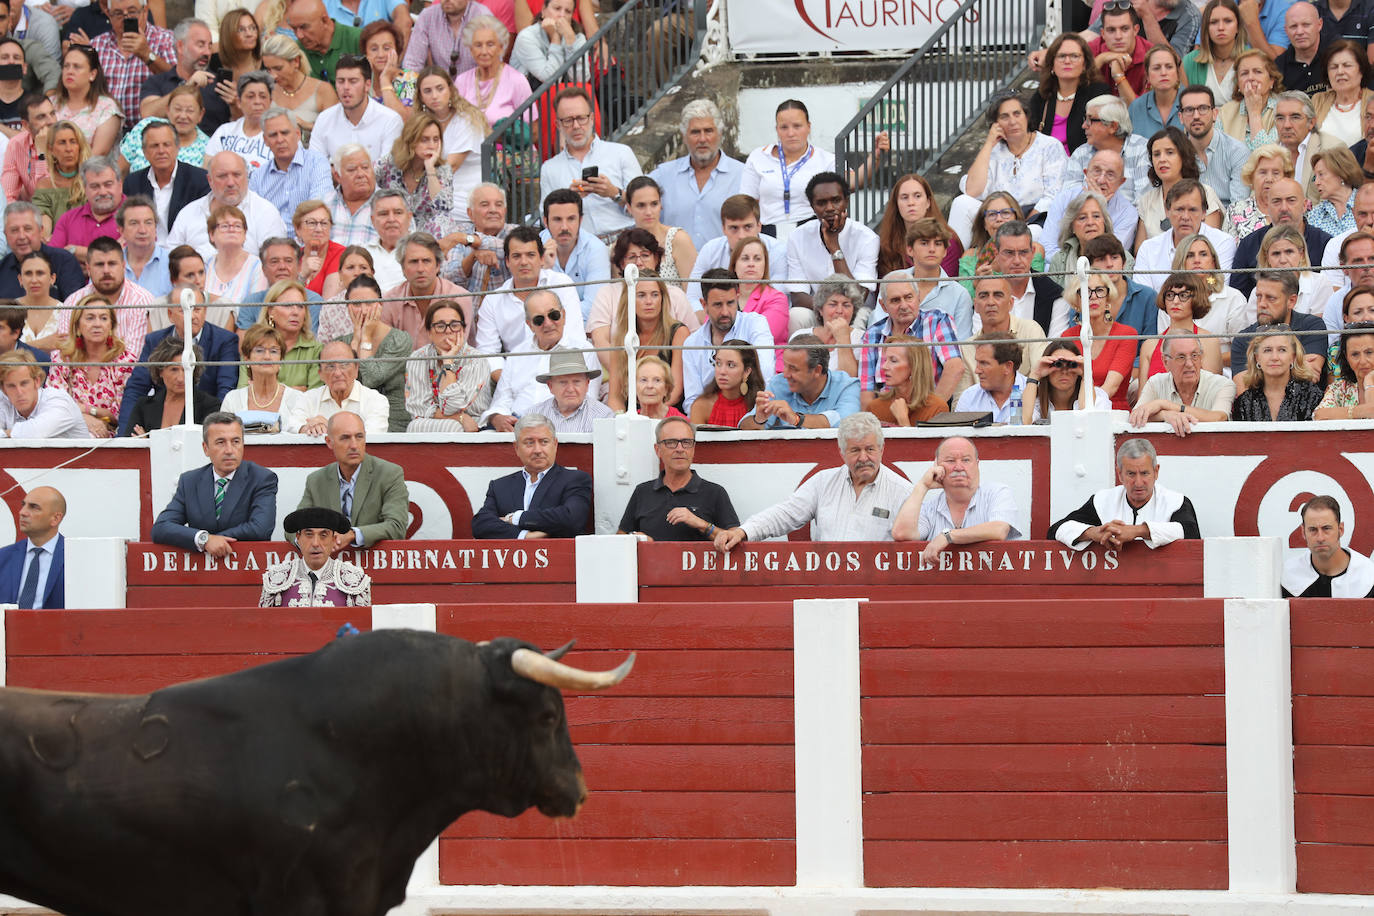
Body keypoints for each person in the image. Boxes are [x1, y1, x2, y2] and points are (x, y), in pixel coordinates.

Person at [715, 412, 906, 548]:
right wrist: (743, 532)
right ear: (842, 453)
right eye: (855, 450)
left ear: (881, 449)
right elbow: (785, 514)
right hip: (826, 588)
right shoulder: (823, 482)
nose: (863, 457)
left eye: (870, 449)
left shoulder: (903, 491)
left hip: (877, 591)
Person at [948, 92, 1068, 246]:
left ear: (1026, 116)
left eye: (1017, 114)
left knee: (1034, 232)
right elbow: (972, 191)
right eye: (1004, 117)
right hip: (996, 215)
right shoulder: (993, 151)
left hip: (1034, 218)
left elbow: (1053, 195)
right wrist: (989, 144)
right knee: (961, 203)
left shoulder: (1049, 146)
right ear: (995, 124)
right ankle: (955, 266)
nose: (1012, 121)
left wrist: (1023, 222)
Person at [150, 411, 279, 554]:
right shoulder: (190, 481)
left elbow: (261, 528)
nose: (229, 450)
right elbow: (161, 528)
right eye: (220, 442)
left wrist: (214, 539)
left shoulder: (262, 478)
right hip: (200, 572)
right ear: (206, 448)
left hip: (246, 567)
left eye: (236, 441)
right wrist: (203, 539)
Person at [118, 289, 239, 435]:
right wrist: (124, 438)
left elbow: (225, 388)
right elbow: (136, 388)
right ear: (170, 314)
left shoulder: (225, 340)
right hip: (159, 416)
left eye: (197, 309)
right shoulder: (155, 341)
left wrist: (217, 430)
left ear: (205, 312)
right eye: (184, 310)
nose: (192, 316)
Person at [1050, 437, 1202, 549]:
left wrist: (1138, 531)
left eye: (1144, 473)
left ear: (1156, 472)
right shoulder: (1103, 500)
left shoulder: (1175, 502)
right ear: (1120, 474)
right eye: (1130, 474)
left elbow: (1190, 532)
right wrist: (1092, 532)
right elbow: (1055, 530)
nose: (1138, 482)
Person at [480, 289, 596, 430]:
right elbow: (502, 399)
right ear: (530, 325)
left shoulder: (584, 350)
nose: (548, 323)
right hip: (516, 426)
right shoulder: (517, 354)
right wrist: (497, 417)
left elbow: (587, 402)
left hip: (561, 427)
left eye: (554, 315)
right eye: (539, 320)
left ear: (563, 315)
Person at [890, 435, 1020, 557]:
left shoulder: (997, 493)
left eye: (966, 460)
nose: (958, 467)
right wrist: (923, 486)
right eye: (950, 460)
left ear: (977, 464)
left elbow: (999, 530)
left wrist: (948, 535)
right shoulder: (929, 509)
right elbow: (902, 534)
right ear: (937, 466)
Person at [539, 85, 640, 239]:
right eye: (568, 120)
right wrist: (569, 201)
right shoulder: (549, 168)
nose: (576, 126)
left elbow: (645, 205)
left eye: (581, 118)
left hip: (626, 238)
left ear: (592, 119)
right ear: (558, 125)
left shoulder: (621, 153)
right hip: (583, 248)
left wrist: (614, 193)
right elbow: (546, 219)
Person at [617, 415, 739, 541]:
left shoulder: (714, 493)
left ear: (693, 449)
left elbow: (735, 539)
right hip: (652, 561)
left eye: (686, 442)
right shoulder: (642, 492)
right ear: (657, 450)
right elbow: (620, 538)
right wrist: (638, 540)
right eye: (671, 443)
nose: (680, 449)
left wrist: (701, 524)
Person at [472, 411, 592, 538]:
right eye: (529, 442)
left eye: (544, 442)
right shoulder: (500, 486)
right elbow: (481, 524)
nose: (537, 450)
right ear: (516, 448)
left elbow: (572, 518)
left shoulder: (575, 479)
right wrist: (523, 536)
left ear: (555, 444)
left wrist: (516, 518)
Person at [297, 409, 407, 548]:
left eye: (359, 436)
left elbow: (397, 526)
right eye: (345, 438)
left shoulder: (389, 474)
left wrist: (352, 535)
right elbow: (293, 528)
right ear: (329, 442)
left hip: (374, 566)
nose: (354, 445)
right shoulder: (316, 480)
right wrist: (312, 539)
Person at [647, 99, 743, 250]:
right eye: (695, 132)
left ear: (720, 133)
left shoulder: (743, 175)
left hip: (724, 270)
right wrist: (616, 194)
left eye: (708, 131)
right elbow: (635, 205)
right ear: (684, 137)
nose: (702, 139)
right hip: (674, 271)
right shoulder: (663, 176)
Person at [859, 270, 963, 408]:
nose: (903, 305)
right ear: (883, 306)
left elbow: (955, 368)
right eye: (895, 300)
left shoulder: (937, 320)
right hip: (887, 415)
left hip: (930, 411)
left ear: (918, 297)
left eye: (908, 297)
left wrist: (929, 413)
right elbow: (866, 390)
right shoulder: (872, 335)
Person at [739, 98, 839, 236]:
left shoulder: (825, 159)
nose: (791, 133)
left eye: (797, 126)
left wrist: (874, 159)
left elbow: (853, 181)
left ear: (808, 127)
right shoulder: (758, 157)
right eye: (784, 127)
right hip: (768, 232)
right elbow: (747, 201)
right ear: (777, 129)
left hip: (811, 230)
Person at [783, 171, 879, 313]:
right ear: (812, 206)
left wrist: (834, 247)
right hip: (817, 310)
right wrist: (828, 311)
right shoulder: (797, 237)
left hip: (857, 312)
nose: (829, 208)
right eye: (821, 203)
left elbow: (858, 297)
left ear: (846, 201)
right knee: (797, 314)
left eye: (835, 200)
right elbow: (797, 296)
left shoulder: (867, 238)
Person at [44, 293, 136, 437]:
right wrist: (84, 418)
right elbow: (54, 406)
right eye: (90, 318)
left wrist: (85, 409)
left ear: (111, 326)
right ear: (78, 327)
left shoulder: (125, 361)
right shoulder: (62, 358)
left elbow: (120, 414)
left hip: (111, 434)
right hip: (68, 430)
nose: (97, 324)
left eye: (104, 318)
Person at [168, 150, 288, 258]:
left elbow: (276, 264)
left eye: (237, 175)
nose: (230, 182)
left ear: (247, 176)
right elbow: (170, 260)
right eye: (222, 176)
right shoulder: (189, 213)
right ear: (210, 180)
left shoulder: (266, 213)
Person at [740, 333, 859, 430]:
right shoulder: (778, 384)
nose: (785, 374)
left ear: (817, 370)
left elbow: (847, 424)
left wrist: (796, 419)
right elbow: (745, 429)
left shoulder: (847, 386)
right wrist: (759, 419)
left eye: (793, 368)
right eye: (785, 366)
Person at [685, 195, 790, 303]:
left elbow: (777, 300)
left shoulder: (778, 251)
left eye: (748, 227)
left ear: (759, 226)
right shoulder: (710, 250)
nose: (742, 236)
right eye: (734, 228)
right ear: (723, 229)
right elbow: (693, 298)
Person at [404, 297, 489, 432]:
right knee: (414, 426)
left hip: (473, 423)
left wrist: (447, 363)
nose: (448, 331)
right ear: (429, 333)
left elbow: (453, 405)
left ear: (463, 330)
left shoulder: (476, 360)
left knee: (452, 428)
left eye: (454, 325)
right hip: (438, 421)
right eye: (440, 326)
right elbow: (417, 408)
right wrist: (459, 418)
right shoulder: (418, 358)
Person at [259, 505, 371, 607]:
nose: (316, 543)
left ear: (333, 539)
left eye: (323, 535)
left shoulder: (355, 580)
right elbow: (263, 627)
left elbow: (362, 627)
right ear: (298, 538)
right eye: (309, 534)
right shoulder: (275, 578)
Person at [1137, 179, 1238, 290]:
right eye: (1179, 209)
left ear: (1204, 213)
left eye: (1192, 210)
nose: (1185, 217)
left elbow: (1217, 286)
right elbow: (1144, 299)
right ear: (1168, 211)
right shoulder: (1148, 249)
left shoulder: (1222, 243)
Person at [1131, 329, 1237, 434]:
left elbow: (1219, 417)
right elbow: (1136, 415)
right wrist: (1165, 415)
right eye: (1181, 357)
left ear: (1201, 357)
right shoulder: (1155, 383)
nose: (1189, 364)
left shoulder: (1223, 385)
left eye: (1194, 356)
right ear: (1165, 362)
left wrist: (1165, 405)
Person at [608, 272, 687, 411]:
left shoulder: (678, 333)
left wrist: (646, 415)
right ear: (630, 299)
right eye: (641, 295)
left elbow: (675, 393)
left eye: (655, 294)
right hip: (630, 416)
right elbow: (615, 397)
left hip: (665, 414)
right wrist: (621, 420)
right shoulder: (621, 338)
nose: (649, 301)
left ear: (662, 298)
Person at [410, 66, 486, 206]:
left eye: (440, 88)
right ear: (420, 96)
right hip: (429, 191)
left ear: (450, 90)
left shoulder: (468, 120)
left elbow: (451, 167)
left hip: (465, 195)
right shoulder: (419, 124)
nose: (434, 96)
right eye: (427, 91)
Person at [92, 0, 176, 125]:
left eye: (132, 12)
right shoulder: (97, 45)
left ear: (145, 11)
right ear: (109, 15)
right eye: (118, 13)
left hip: (151, 130)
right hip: (105, 129)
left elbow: (178, 83)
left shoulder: (166, 40)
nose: (126, 18)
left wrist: (147, 55)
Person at [124, 120, 210, 242]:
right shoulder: (133, 182)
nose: (161, 151)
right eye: (154, 146)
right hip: (145, 251)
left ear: (177, 147)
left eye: (166, 144)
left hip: (185, 251)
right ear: (144, 152)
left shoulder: (200, 180)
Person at [1027, 33, 1112, 155]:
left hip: (1085, 167)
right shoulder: (1042, 96)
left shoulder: (1098, 94)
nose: (1067, 61)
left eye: (1074, 56)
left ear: (1084, 64)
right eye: (1061, 56)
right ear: (1052, 64)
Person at [308, 53, 401, 164]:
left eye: (353, 81)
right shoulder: (324, 119)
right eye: (341, 81)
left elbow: (387, 171)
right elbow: (314, 166)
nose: (346, 87)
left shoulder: (390, 120)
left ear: (367, 85)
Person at [1231, 269, 1330, 374]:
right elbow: (1243, 386)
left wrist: (1259, 370)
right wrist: (1297, 365)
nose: (1262, 304)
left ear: (1291, 301)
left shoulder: (1312, 326)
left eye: (1271, 298)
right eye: (1259, 297)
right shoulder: (1243, 339)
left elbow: (1310, 375)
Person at [374, 111, 455, 239]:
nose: (432, 146)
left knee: (443, 220)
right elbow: (366, 181)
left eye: (436, 139)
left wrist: (430, 169)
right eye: (425, 140)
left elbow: (443, 209)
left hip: (427, 237)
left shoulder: (442, 170)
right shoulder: (389, 163)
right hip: (394, 229)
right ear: (411, 140)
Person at [250, 107, 333, 231]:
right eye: (273, 135)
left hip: (308, 239)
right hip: (270, 243)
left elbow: (319, 207)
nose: (280, 140)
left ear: (297, 134)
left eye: (285, 133)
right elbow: (252, 218)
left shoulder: (317, 162)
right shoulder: (258, 176)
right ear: (265, 141)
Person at [1172, 234, 1249, 364]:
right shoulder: (1170, 300)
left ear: (1213, 262)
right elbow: (1164, 348)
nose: (1197, 260)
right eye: (1190, 255)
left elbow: (1243, 351)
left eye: (1203, 254)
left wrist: (1203, 361)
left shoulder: (1233, 298)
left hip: (1223, 374)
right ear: (1181, 263)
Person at [382, 231, 470, 345]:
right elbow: (386, 352)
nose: (420, 269)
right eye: (413, 262)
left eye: (426, 261)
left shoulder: (459, 298)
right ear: (403, 268)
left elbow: (458, 349)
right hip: (403, 363)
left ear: (438, 266)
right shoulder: (390, 301)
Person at [1139, 273, 1225, 388]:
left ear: (1196, 299)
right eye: (1170, 295)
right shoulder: (1149, 344)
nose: (1175, 301)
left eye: (1183, 295)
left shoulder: (1208, 341)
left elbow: (1212, 393)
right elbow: (1142, 399)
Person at [290, 338, 389, 435]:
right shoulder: (308, 399)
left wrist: (330, 427)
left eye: (344, 365)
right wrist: (306, 428)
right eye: (330, 366)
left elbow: (373, 435)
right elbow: (291, 426)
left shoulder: (376, 400)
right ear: (321, 374)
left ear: (356, 369)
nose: (337, 373)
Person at [1282, 495, 1374, 597]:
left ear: (1340, 530)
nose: (1320, 538)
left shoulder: (1368, 576)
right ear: (1303, 532)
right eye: (1313, 529)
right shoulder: (1289, 575)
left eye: (1326, 528)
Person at [127, 336, 222, 433]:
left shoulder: (210, 405)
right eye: (174, 369)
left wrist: (148, 442)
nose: (180, 378)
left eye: (185, 369)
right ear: (160, 371)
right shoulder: (144, 406)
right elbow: (130, 443)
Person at [1176, 84, 1250, 208]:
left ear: (1215, 113)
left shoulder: (1237, 151)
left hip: (1228, 222)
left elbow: (1239, 207)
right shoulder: (1175, 154)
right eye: (1189, 110)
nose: (1196, 116)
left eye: (1203, 108)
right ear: (1181, 117)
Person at [219, 323, 306, 429]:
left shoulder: (297, 399)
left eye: (274, 351)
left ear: (281, 360)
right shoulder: (232, 400)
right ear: (247, 359)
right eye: (259, 350)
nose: (267, 357)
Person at [877, 172, 963, 278]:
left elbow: (947, 286)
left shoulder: (947, 240)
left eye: (917, 196)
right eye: (904, 197)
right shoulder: (887, 244)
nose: (911, 202)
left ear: (928, 202)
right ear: (896, 205)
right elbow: (882, 288)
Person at [540, 188, 608, 320]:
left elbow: (594, 308)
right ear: (545, 221)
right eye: (557, 219)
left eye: (571, 219)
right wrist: (545, 268)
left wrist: (552, 317)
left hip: (583, 330)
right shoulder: (535, 248)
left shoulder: (596, 249)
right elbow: (529, 302)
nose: (564, 227)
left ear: (580, 220)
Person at [1233, 324, 1326, 420]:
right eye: (1267, 350)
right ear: (1257, 358)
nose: (1274, 357)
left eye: (1282, 350)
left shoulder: (1312, 395)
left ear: (1293, 357)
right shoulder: (1244, 402)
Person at [454, 15, 529, 128]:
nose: (484, 51)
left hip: (507, 145)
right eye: (478, 45)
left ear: (501, 47)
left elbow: (533, 130)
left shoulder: (517, 80)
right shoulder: (462, 81)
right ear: (471, 50)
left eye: (490, 45)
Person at [258, 33, 335, 141]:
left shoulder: (323, 90)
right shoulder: (268, 91)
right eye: (268, 69)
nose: (273, 75)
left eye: (278, 68)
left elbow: (336, 133)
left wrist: (306, 125)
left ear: (296, 61)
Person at [623, 176, 696, 288]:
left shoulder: (678, 239)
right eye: (641, 205)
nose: (648, 212)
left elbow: (692, 291)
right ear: (629, 207)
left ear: (661, 204)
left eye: (654, 204)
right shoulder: (622, 244)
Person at [0, 201, 83, 299]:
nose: (21, 236)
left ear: (41, 231)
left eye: (27, 229)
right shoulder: (2, 268)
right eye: (14, 230)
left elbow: (75, 309)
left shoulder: (64, 261)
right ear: (5, 234)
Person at [0, 485, 65, 608]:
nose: (22, 512)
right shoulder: (3, 557)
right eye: (23, 505)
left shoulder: (74, 557)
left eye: (34, 507)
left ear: (55, 518)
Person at [135, 18, 212, 122]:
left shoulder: (218, 84)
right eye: (200, 45)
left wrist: (235, 105)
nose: (207, 52)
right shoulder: (157, 82)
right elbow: (147, 114)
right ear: (180, 46)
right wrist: (187, 87)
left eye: (210, 46)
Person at [0, 349, 89, 437]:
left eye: (24, 383)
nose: (19, 392)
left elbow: (36, 432)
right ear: (3, 389)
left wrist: (5, 433)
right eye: (11, 386)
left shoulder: (58, 399)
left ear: (37, 382)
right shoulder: (4, 402)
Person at [1020, 338, 1112, 422]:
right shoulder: (1035, 399)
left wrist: (1086, 375)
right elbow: (1024, 422)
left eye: (1072, 364)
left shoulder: (1098, 395)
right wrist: (1035, 375)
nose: (1064, 371)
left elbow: (1089, 421)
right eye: (1057, 364)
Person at [1274, 90, 1343, 200]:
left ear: (1311, 122)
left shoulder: (1332, 149)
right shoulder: (1269, 153)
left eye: (1295, 117)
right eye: (1280, 118)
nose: (1286, 125)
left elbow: (1335, 201)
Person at [53, 46, 121, 156]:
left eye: (77, 67)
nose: (69, 71)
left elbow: (98, 154)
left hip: (90, 171)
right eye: (66, 66)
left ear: (92, 74)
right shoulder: (51, 103)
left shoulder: (107, 107)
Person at [864, 334, 946, 426]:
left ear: (914, 367)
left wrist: (903, 420)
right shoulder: (875, 407)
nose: (884, 367)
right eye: (885, 360)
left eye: (893, 360)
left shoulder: (937, 408)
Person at [203, 70, 275, 171]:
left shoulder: (280, 135)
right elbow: (207, 169)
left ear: (270, 102)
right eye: (250, 96)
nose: (257, 102)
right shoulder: (225, 132)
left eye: (263, 97)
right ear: (239, 102)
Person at [528, 346, 611, 433]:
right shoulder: (534, 416)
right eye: (563, 382)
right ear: (550, 386)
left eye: (576, 382)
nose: (570, 389)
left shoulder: (604, 416)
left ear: (587, 384)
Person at [402, 0, 494, 76]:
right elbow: (412, 64)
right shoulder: (427, 16)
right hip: (438, 91)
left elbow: (492, 70)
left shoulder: (483, 17)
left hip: (476, 91)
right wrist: (408, 95)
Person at [1045, 189, 1120, 279]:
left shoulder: (1121, 257)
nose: (1090, 222)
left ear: (1104, 222)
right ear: (1072, 226)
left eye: (1096, 216)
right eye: (1082, 218)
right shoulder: (1060, 260)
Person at [31, 120, 89, 234]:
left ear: (80, 146)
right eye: (62, 142)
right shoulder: (45, 185)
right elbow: (44, 230)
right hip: (56, 246)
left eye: (73, 142)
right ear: (51, 149)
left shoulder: (92, 180)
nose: (68, 149)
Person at [1224, 143, 1295, 237]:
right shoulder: (1236, 211)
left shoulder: (1296, 208)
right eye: (1263, 172)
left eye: (1276, 173)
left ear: (1286, 177)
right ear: (1251, 177)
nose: (1269, 179)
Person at [1312, 39, 1373, 147]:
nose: (1340, 72)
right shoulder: (1317, 100)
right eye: (1334, 67)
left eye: (1347, 65)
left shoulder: (1372, 102)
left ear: (1361, 70)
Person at [952, 336, 1026, 422]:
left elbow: (1018, 426)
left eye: (984, 363)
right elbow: (958, 433)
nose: (977, 370)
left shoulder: (1033, 391)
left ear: (1008, 367)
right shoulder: (969, 397)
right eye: (977, 362)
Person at [801, 275, 863, 378]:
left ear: (854, 310)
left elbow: (849, 380)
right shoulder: (802, 336)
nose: (839, 311)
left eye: (846, 305)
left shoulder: (862, 339)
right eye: (833, 304)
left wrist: (843, 339)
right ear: (821, 309)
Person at [509, 0, 585, 84]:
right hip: (530, 94)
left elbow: (581, 80)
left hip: (565, 94)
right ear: (543, 10)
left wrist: (571, 43)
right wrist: (555, 38)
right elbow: (552, 81)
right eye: (557, 8)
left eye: (568, 11)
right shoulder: (527, 37)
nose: (562, 15)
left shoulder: (577, 37)